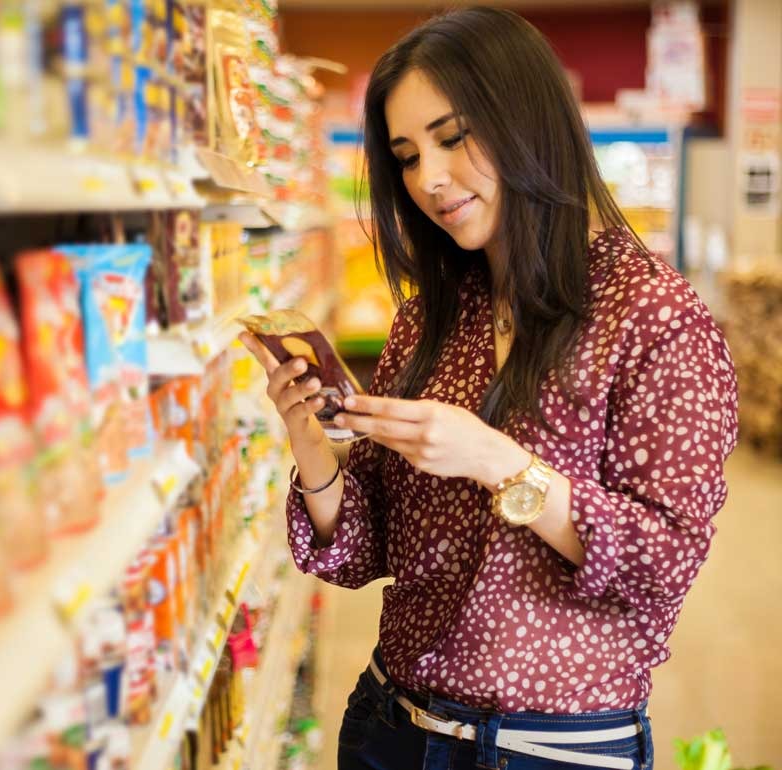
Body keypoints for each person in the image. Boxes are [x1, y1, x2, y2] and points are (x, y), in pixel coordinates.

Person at [239, 7, 739, 770]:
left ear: (526, 119)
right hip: (389, 727)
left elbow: (662, 561)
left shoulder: (655, 318)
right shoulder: (433, 317)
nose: (429, 179)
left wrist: (500, 462)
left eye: (452, 136)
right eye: (406, 155)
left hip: (550, 750)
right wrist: (314, 441)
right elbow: (363, 549)